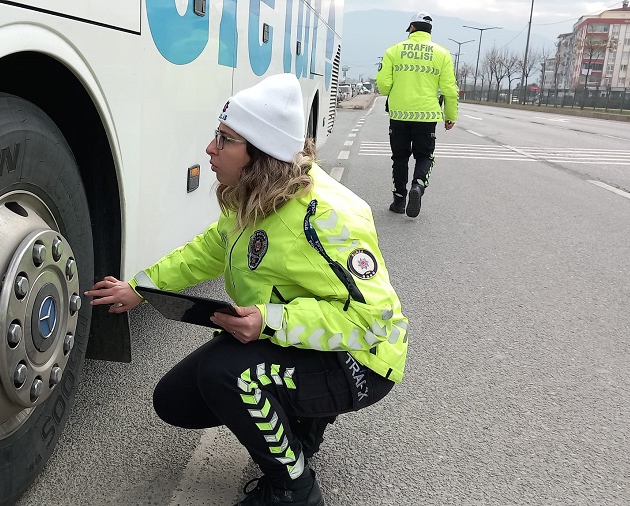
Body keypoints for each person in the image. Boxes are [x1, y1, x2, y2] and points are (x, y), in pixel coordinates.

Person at [85, 74, 408, 506]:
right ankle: (302, 428)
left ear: (260, 154)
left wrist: (268, 322)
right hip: (305, 341)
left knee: (228, 375)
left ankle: (294, 489)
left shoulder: (328, 219)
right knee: (175, 401)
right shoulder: (255, 195)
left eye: (224, 139)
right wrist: (140, 288)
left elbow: (373, 322)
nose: (210, 149)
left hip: (362, 362)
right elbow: (210, 249)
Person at [376, 11, 458, 218]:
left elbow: (384, 87)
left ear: (411, 28)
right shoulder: (442, 54)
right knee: (425, 157)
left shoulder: (393, 51)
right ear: (430, 31)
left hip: (399, 115)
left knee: (400, 158)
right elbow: (450, 89)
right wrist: (450, 116)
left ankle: (399, 200)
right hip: (427, 117)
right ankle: (418, 185)